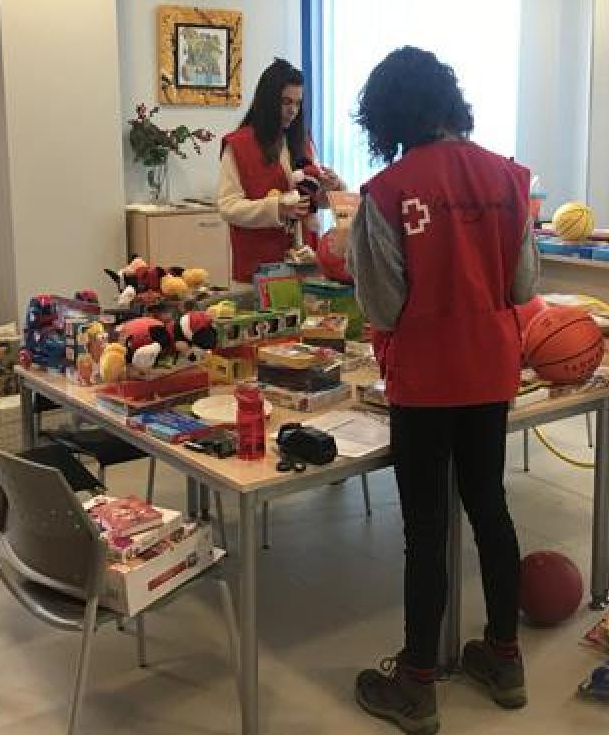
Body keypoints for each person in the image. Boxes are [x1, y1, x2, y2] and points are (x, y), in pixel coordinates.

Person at [346, 46, 538, 735]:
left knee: (425, 529)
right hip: (491, 370)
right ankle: (504, 658)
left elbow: (384, 304)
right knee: (491, 508)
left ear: (391, 113)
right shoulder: (510, 179)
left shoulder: (389, 190)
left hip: (426, 378)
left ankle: (418, 682)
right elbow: (522, 288)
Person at [217, 58, 344, 284]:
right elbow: (228, 206)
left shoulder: (303, 141)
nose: (293, 110)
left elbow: (315, 201)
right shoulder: (239, 145)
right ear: (268, 101)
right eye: (286, 102)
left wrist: (330, 188)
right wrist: (277, 208)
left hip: (305, 262)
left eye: (297, 103)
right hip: (260, 267)